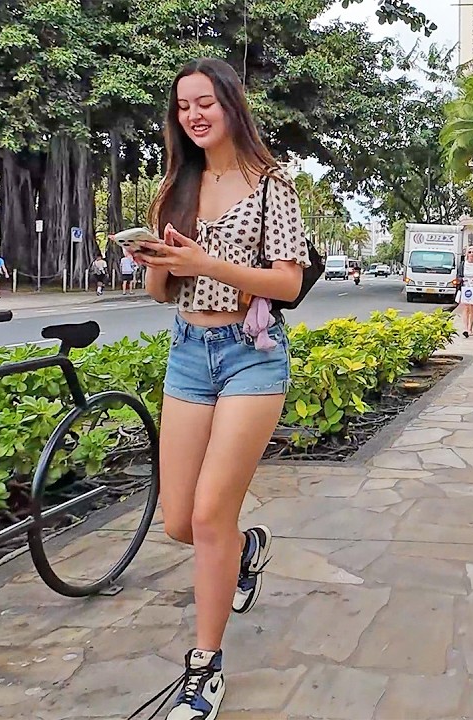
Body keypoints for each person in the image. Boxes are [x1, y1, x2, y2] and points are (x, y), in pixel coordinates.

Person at [130, 57, 309, 720]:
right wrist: (154, 264)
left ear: (231, 104)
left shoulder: (271, 185)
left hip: (250, 355)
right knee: (179, 520)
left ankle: (204, 670)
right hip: (187, 351)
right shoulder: (176, 183)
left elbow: (288, 283)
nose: (193, 115)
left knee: (208, 518)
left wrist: (208, 261)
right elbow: (162, 292)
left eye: (204, 102)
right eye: (182, 107)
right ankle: (246, 547)